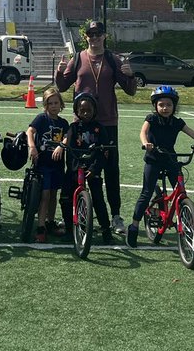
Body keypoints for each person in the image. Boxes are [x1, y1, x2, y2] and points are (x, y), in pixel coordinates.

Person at [54, 20, 137, 235]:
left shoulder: (113, 59)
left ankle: (115, 215)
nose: (94, 37)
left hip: (107, 122)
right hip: (80, 123)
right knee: (75, 169)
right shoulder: (78, 58)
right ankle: (71, 214)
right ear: (86, 37)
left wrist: (130, 75)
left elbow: (130, 91)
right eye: (90, 34)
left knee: (110, 169)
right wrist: (59, 72)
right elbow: (62, 86)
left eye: (98, 33)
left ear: (104, 36)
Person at [127, 85, 194, 247]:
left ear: (174, 106)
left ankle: (185, 219)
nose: (165, 108)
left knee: (181, 191)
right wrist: (146, 143)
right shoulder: (151, 119)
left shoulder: (177, 122)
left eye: (169, 105)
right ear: (155, 106)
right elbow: (143, 132)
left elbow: (192, 132)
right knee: (146, 193)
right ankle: (134, 226)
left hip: (170, 158)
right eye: (161, 105)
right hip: (153, 158)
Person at [60, 91, 114, 242]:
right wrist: (76, 169)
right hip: (75, 169)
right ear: (77, 111)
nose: (85, 113)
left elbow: (103, 152)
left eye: (88, 110)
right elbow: (70, 151)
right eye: (82, 110)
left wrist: (94, 169)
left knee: (98, 199)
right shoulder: (73, 128)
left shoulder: (99, 128)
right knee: (65, 197)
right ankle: (69, 228)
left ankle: (105, 230)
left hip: (92, 168)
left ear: (94, 111)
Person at [26, 86, 70, 243]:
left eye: (56, 103)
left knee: (53, 194)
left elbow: (68, 135)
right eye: (50, 103)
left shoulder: (64, 123)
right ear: (45, 105)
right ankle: (41, 226)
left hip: (57, 164)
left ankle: (50, 222)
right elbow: (29, 131)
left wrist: (61, 145)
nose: (53, 106)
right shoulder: (41, 118)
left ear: (61, 104)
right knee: (44, 195)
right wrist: (32, 147)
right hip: (43, 162)